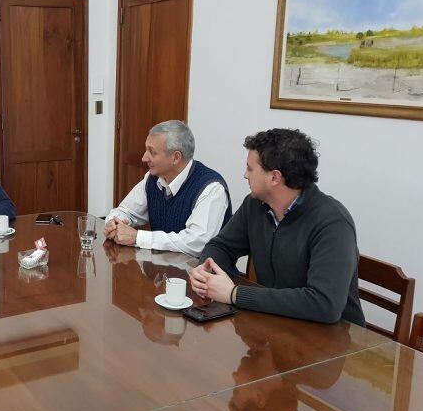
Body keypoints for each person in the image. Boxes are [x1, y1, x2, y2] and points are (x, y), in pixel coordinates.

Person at [190, 128, 366, 326]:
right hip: (277, 324)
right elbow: (221, 246)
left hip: (334, 339)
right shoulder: (254, 205)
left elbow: (324, 304)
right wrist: (206, 271)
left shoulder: (333, 223)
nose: (245, 175)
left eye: (250, 168)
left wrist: (234, 294)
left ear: (274, 177)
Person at [104, 120, 232, 255]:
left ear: (176, 157)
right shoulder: (153, 178)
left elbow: (197, 243)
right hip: (163, 270)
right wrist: (114, 223)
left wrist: (138, 237)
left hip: (206, 274)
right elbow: (126, 211)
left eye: (152, 152)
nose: (144, 158)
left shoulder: (211, 188)